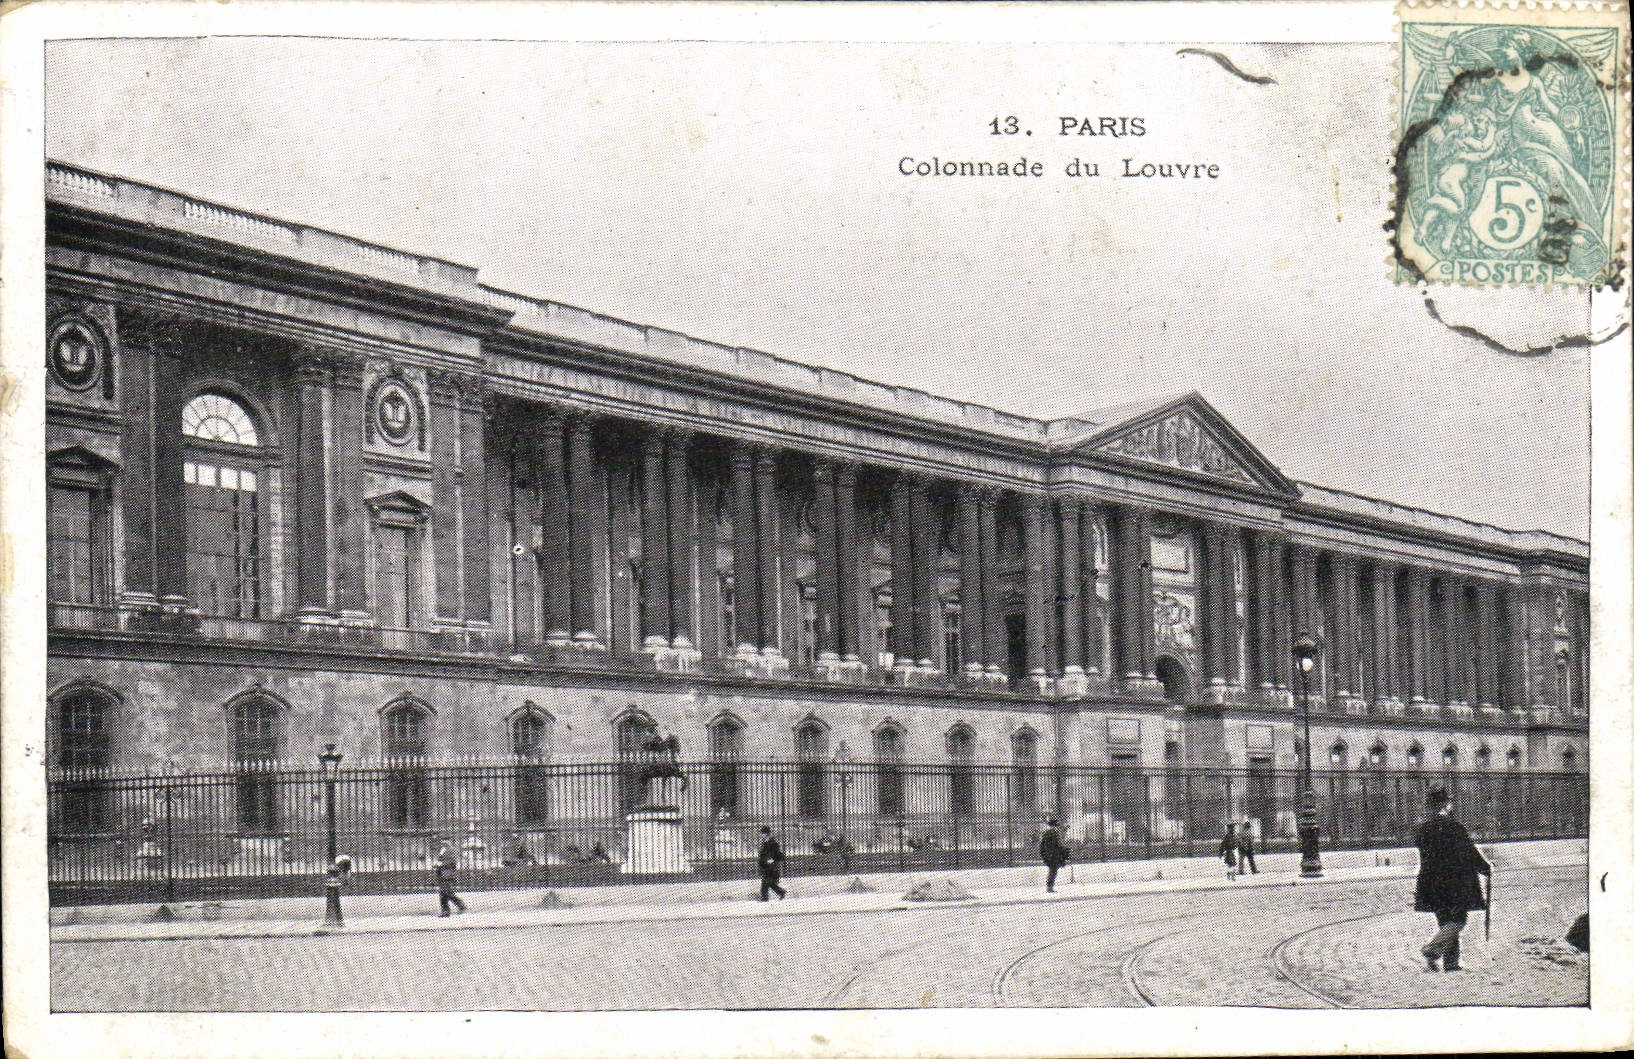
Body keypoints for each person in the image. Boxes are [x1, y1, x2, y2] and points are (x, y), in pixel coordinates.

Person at [1414, 787, 1491, 971]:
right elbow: (1469, 852)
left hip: (1431, 883)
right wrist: (1485, 868)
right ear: (1445, 804)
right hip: (1454, 883)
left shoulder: (1422, 829)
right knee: (1458, 920)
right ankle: (1432, 949)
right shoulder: (1454, 827)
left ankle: (1451, 963)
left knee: (1445, 920)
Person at [433, 836, 466, 917]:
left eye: (446, 841)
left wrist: (441, 864)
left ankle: (447, 910)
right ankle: (459, 906)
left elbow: (452, 861)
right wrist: (437, 864)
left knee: (444, 892)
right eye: (443, 841)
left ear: (450, 842)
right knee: (446, 892)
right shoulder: (442, 850)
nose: (444, 842)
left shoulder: (452, 850)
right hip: (442, 873)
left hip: (448, 873)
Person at [1039, 818, 1070, 893]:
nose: (1058, 826)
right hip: (1052, 855)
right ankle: (1049, 887)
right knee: (1053, 871)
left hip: (1051, 854)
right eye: (1057, 825)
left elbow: (1043, 845)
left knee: (1053, 870)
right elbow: (1057, 844)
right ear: (1054, 825)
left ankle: (1050, 886)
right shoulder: (1052, 833)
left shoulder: (1049, 833)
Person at [756, 825, 786, 901]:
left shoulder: (772, 842)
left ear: (766, 833)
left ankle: (765, 899)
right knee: (768, 883)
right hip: (766, 865)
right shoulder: (765, 842)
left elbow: (777, 853)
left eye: (762, 833)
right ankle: (780, 892)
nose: (761, 835)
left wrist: (772, 859)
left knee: (766, 882)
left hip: (771, 866)